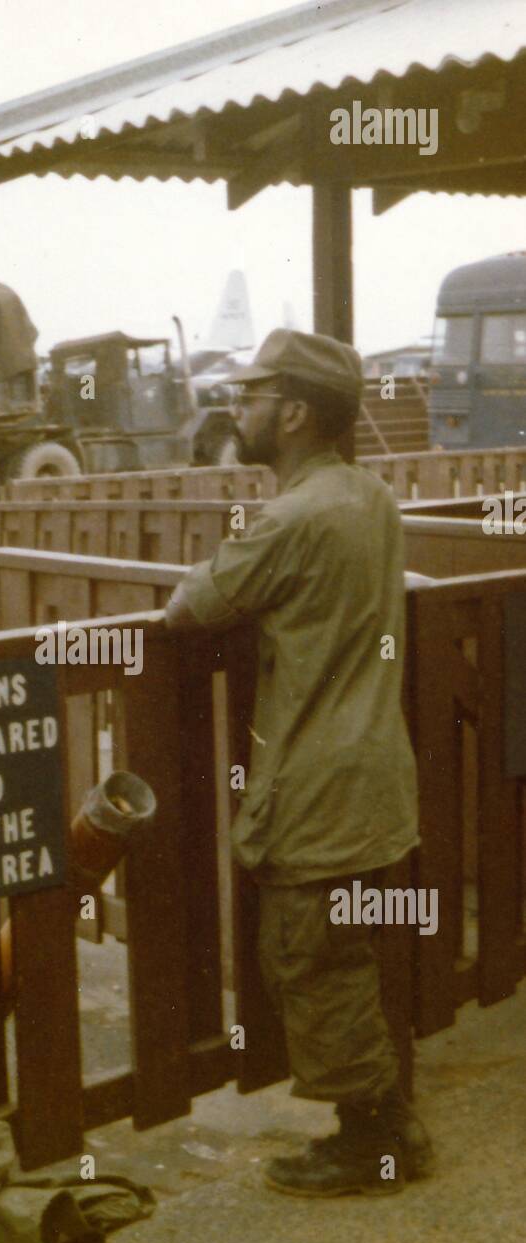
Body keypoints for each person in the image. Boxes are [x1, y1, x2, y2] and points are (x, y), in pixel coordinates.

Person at [165, 328, 432, 1196]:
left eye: (251, 396)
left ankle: (377, 1143)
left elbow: (189, 609)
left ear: (294, 413)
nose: (236, 410)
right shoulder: (370, 497)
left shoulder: (288, 517)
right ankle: (384, 1126)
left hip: (318, 785)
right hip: (375, 774)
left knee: (313, 958)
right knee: (345, 953)